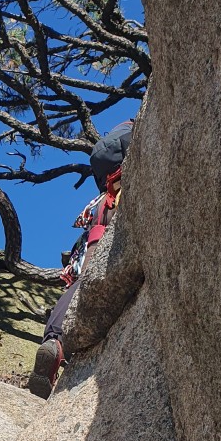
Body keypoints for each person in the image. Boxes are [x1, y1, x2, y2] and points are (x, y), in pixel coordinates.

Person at [28, 121, 133, 398]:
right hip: (113, 232)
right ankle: (62, 343)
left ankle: (55, 341)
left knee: (78, 286)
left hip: (95, 233)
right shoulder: (132, 167)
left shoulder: (100, 197)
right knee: (92, 285)